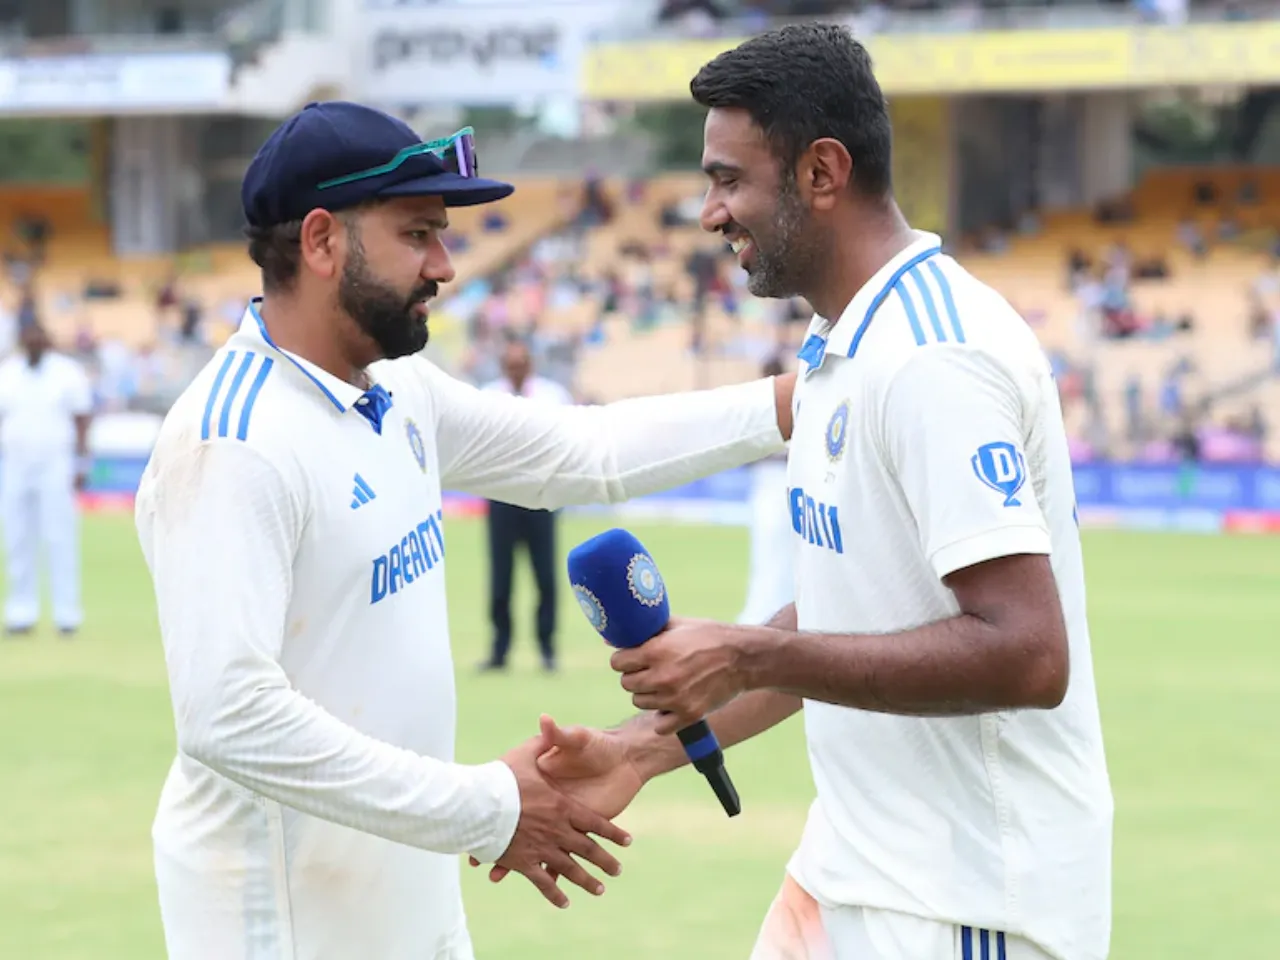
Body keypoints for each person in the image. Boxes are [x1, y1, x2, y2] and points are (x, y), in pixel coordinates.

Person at [133, 100, 797, 960]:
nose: (446, 265)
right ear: (324, 241)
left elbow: (579, 453)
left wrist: (799, 402)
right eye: (418, 233)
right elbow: (227, 716)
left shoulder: (393, 389)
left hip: (414, 910)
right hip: (288, 929)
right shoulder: (233, 442)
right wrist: (488, 807)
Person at [523, 25, 1112, 960]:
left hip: (961, 904)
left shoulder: (934, 354)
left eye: (728, 179)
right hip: (848, 874)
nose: (710, 213)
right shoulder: (843, 347)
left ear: (822, 173)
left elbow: (1028, 655)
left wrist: (748, 654)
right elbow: (852, 614)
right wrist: (641, 748)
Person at [480, 335, 575, 672]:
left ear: (531, 365)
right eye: (511, 365)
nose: (516, 370)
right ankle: (499, 650)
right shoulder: (487, 397)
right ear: (504, 367)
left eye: (521, 364)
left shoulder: (553, 397)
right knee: (500, 578)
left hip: (542, 498)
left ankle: (547, 649)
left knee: (545, 577)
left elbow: (570, 442)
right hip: (502, 498)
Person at [0, 322, 93, 637]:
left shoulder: (66, 372)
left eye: (39, 337)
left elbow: (82, 418)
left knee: (59, 536)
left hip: (56, 462)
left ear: (47, 341)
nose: (34, 342)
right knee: (17, 538)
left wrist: (82, 460)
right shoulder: (8, 372)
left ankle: (67, 614)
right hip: (15, 463)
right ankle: (20, 612)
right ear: (22, 341)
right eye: (29, 337)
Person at [736, 354, 794, 625]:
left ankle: (768, 613)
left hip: (778, 482)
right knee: (771, 552)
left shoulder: (788, 404)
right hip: (771, 482)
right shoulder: (764, 408)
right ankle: (765, 612)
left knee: (773, 552)